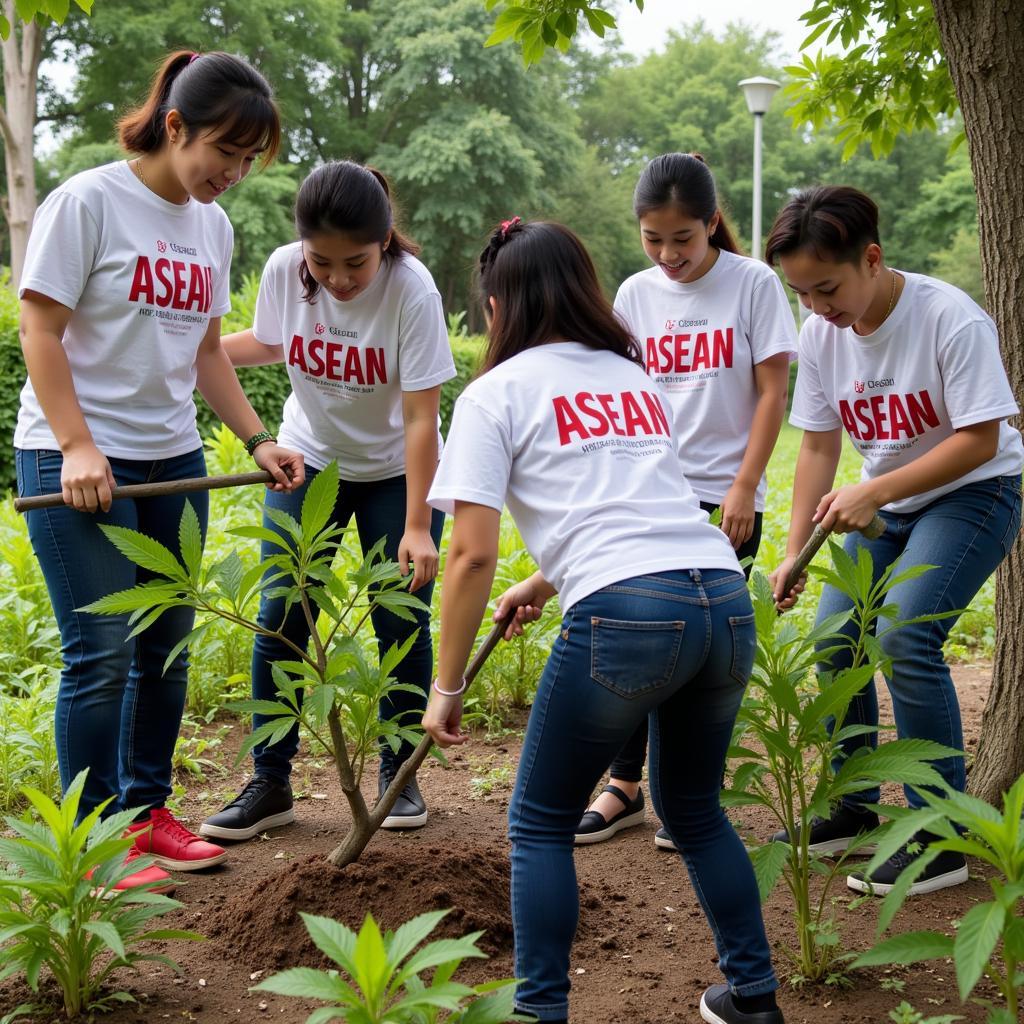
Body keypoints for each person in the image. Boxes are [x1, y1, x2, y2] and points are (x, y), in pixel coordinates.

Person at [423, 219, 784, 1024]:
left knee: (540, 822)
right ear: (585, 292)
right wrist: (546, 582)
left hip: (625, 614)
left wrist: (445, 685)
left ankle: (538, 1013)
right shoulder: (632, 376)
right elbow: (636, 504)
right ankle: (755, 999)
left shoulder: (495, 393)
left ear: (496, 306)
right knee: (694, 810)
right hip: (720, 597)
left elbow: (468, 557)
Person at [15, 50, 304, 895]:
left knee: (167, 651)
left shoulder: (212, 227)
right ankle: (97, 846)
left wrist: (256, 439)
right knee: (100, 651)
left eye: (252, 160)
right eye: (227, 150)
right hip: (79, 463)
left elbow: (206, 350)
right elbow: (40, 329)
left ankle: (146, 814)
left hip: (170, 460)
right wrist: (75, 443)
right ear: (175, 126)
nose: (236, 173)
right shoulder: (89, 203)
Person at [766, 185, 1022, 896]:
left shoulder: (947, 318)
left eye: (827, 288)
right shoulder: (821, 334)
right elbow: (818, 447)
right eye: (802, 293)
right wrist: (795, 550)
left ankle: (938, 836)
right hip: (884, 506)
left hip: (975, 492)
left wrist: (876, 489)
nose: (817, 308)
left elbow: (981, 439)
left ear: (872, 259)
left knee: (906, 635)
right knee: (832, 638)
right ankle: (853, 807)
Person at [200, 160, 456, 842]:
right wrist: (189, 352)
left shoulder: (412, 291)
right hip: (308, 459)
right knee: (283, 611)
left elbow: (421, 419)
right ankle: (270, 781)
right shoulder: (289, 270)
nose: (338, 279)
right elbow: (270, 341)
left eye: (356, 263)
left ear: (385, 241)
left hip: (396, 472)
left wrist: (418, 526)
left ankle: (399, 773)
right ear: (302, 247)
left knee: (399, 617)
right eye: (323, 263)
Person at [577, 153, 796, 850]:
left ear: (711, 223)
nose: (668, 254)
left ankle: (683, 795)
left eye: (683, 239)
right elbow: (622, 394)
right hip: (648, 491)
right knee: (640, 639)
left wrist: (742, 485)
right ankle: (624, 786)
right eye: (653, 239)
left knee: (695, 651)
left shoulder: (753, 284)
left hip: (724, 495)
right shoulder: (636, 294)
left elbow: (772, 393)